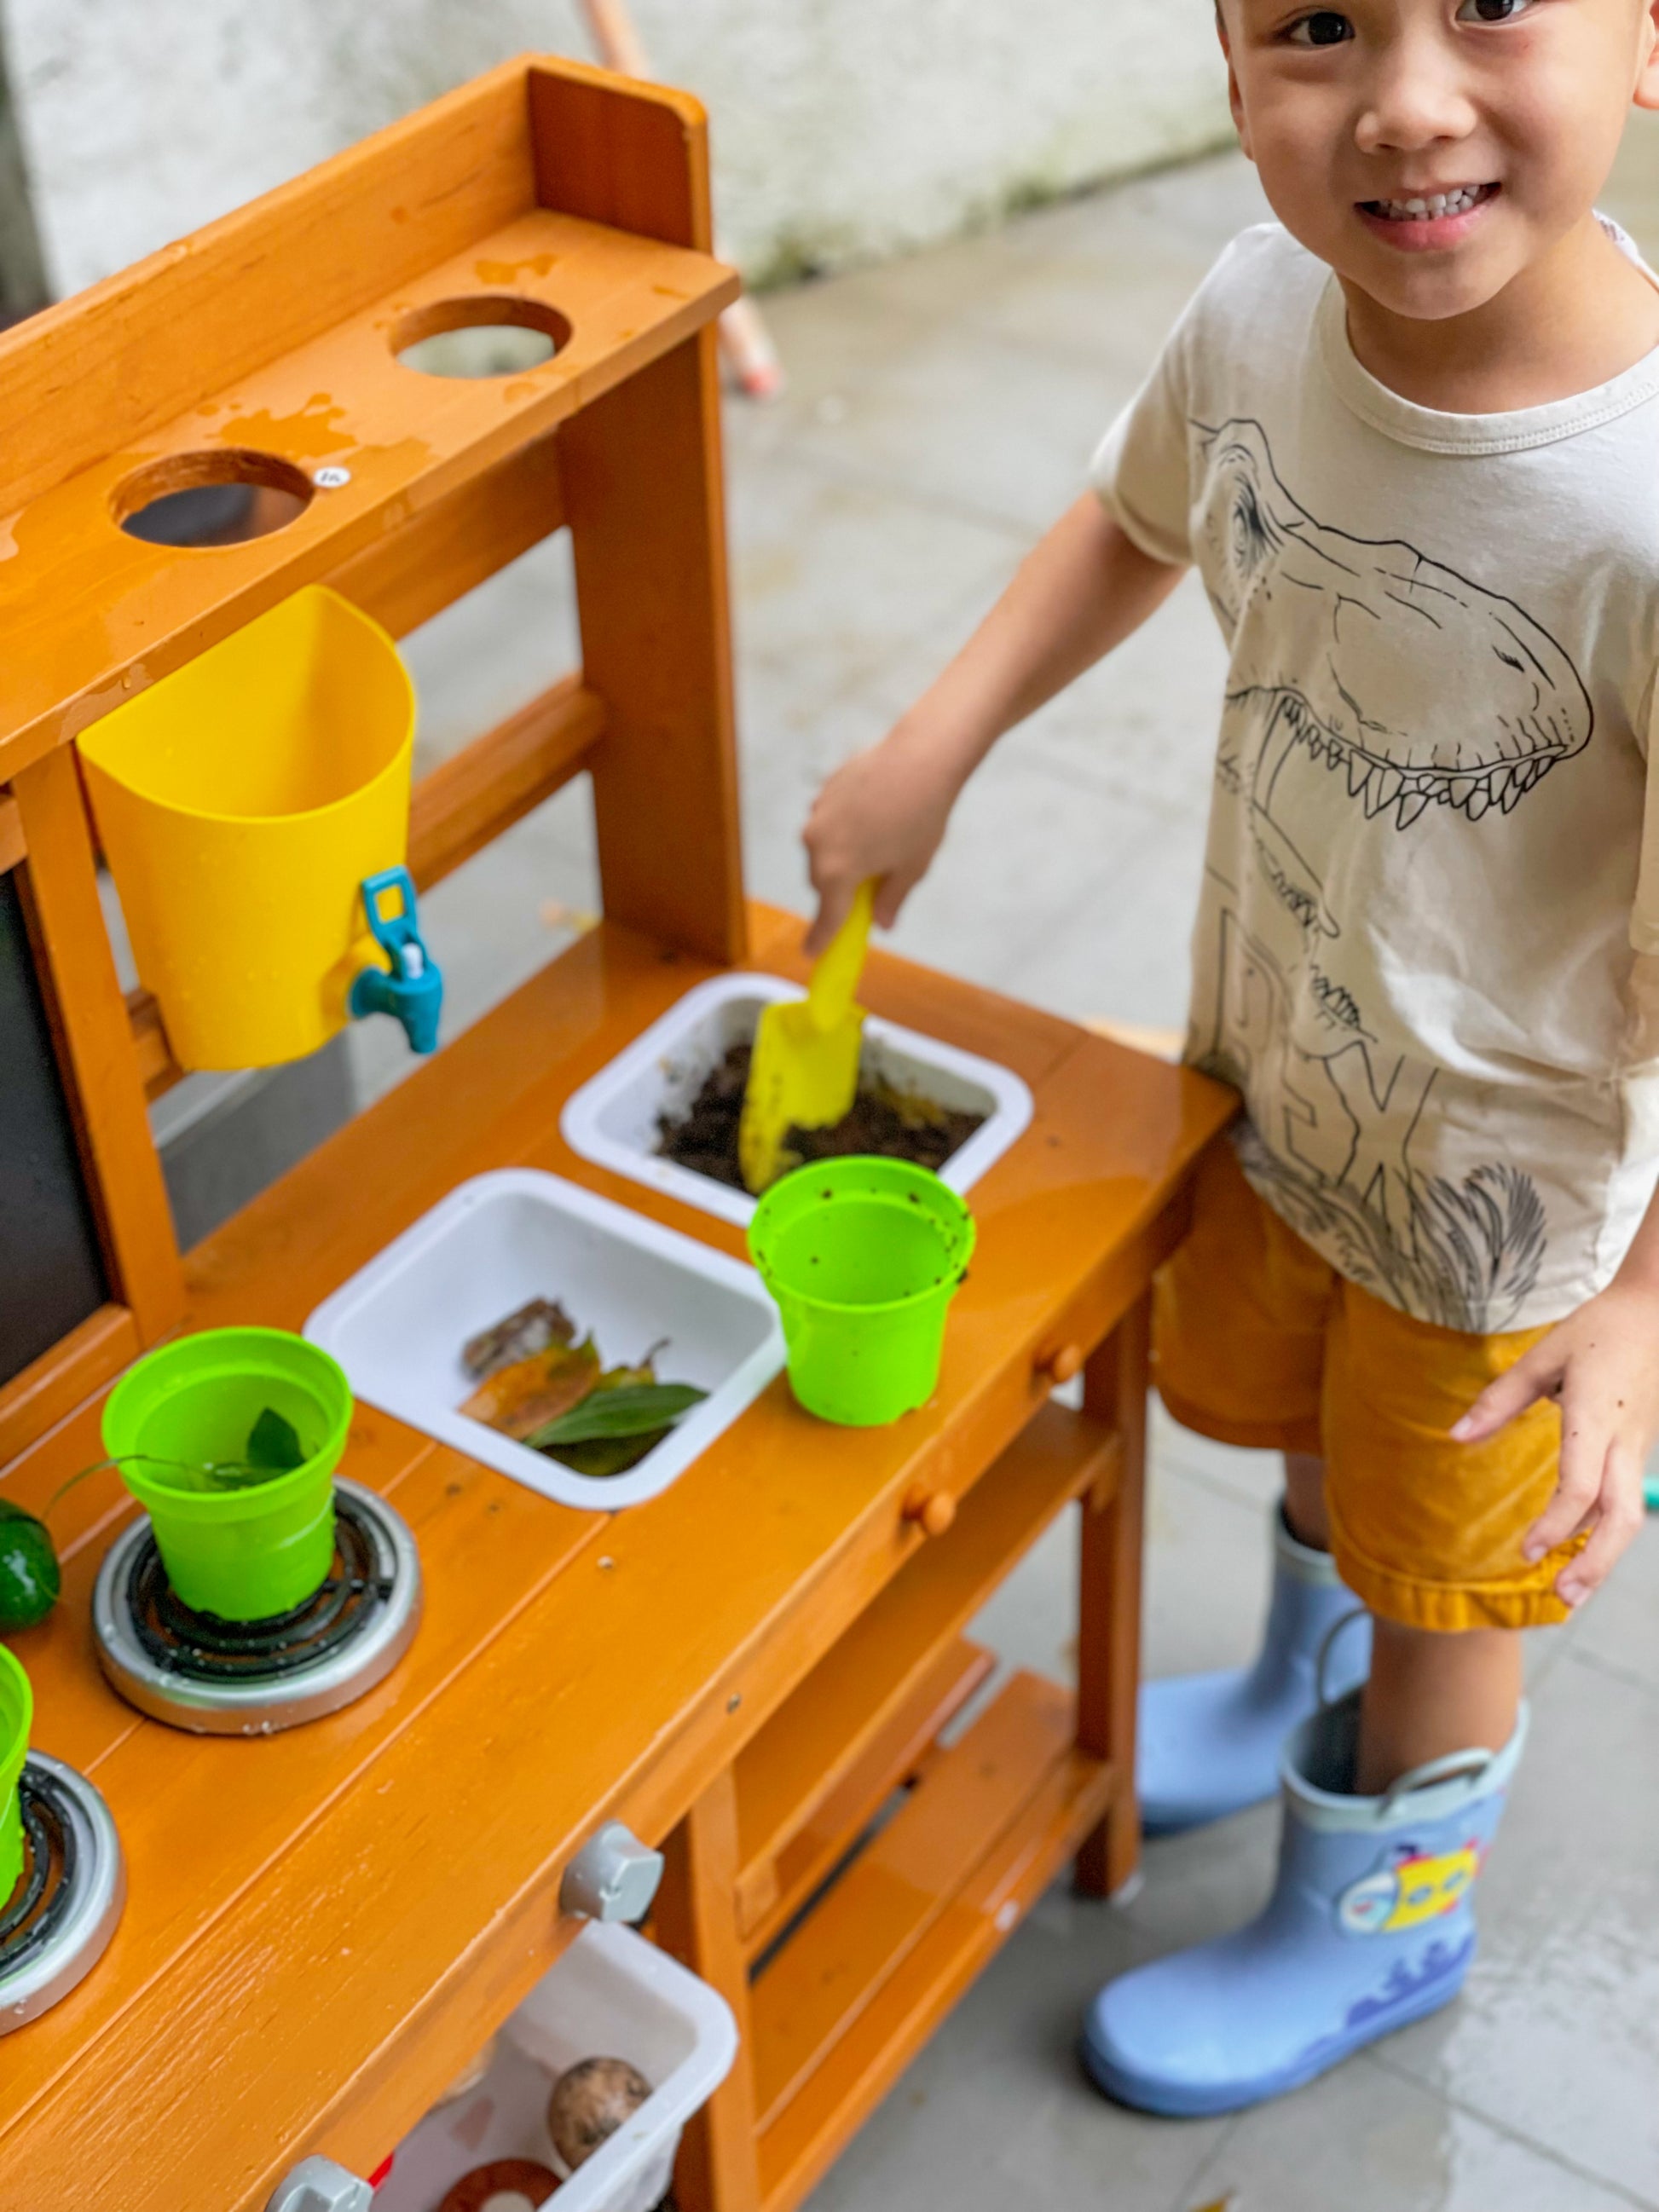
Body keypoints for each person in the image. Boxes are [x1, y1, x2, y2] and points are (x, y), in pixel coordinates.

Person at [799, 0, 1659, 2115]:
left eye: (1486, 6)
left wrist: (1641, 1305)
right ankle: (1310, 1669)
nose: (1402, 100)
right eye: (1314, 26)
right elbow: (1132, 511)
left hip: (1512, 1204)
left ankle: (1386, 1913)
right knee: (1306, 1417)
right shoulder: (1269, 300)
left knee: (1452, 1567)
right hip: (1279, 1056)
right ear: (1226, 65)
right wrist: (935, 745)